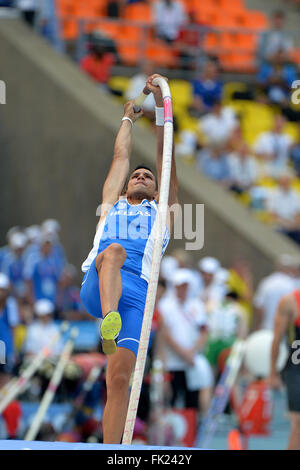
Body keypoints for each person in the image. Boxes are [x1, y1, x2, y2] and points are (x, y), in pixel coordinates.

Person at [79, 73, 178, 444]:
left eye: (147, 177)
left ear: (156, 189)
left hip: (137, 297)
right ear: (124, 186)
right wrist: (127, 119)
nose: (140, 176)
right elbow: (121, 155)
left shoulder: (162, 214)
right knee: (115, 251)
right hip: (100, 284)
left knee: (119, 380)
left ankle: (112, 451)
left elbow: (164, 161)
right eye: (135, 176)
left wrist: (159, 111)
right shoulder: (112, 204)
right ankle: (109, 320)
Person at [158, 269, 213, 417]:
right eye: (179, 286)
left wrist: (192, 351)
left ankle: (192, 434)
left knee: (192, 402)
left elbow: (203, 330)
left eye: (185, 286)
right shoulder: (165, 306)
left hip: (191, 361)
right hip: (172, 363)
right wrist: (183, 352)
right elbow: (165, 334)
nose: (182, 289)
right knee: (173, 401)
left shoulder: (196, 305)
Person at [268, 287, 300, 449]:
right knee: (298, 424)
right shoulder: (290, 302)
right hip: (296, 369)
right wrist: (272, 373)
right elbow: (277, 339)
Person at [253, 254, 297, 330]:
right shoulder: (292, 284)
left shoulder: (267, 282)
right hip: (284, 330)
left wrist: (259, 324)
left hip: (266, 328)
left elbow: (259, 306)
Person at [253, 114, 294, 178]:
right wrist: (265, 156)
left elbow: (292, 154)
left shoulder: (288, 139)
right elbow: (255, 153)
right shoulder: (263, 136)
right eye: (277, 121)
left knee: (291, 175)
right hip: (267, 166)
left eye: (282, 122)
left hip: (282, 166)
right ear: (273, 122)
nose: (279, 124)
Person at [267, 170, 300, 245]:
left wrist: (296, 225)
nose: (285, 183)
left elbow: (297, 214)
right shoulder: (273, 194)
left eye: (287, 181)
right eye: (284, 181)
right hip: (279, 225)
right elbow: (273, 215)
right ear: (280, 182)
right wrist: (285, 224)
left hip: (292, 225)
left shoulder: (294, 194)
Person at [0, 273, 20, 385]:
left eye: (2, 290)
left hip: (5, 348)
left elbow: (14, 329)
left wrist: (15, 351)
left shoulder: (10, 305)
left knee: (5, 378)